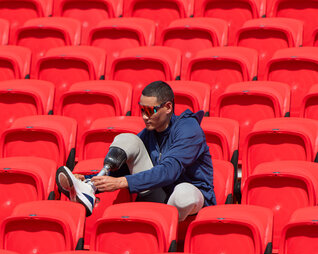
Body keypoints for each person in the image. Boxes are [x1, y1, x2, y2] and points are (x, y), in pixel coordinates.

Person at [56, 80, 216, 221]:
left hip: (191, 200)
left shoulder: (189, 129)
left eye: (150, 110)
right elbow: (121, 172)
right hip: (160, 196)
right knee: (128, 139)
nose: (145, 117)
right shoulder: (149, 134)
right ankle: (88, 188)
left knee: (183, 194)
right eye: (142, 110)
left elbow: (169, 171)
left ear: (168, 107)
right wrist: (92, 181)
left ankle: (168, 228)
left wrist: (121, 183)